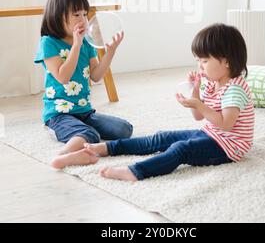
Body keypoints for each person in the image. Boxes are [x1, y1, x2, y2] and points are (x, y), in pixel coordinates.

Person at [78, 23, 255, 181]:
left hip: (228, 148)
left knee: (180, 149)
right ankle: (108, 148)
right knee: (162, 137)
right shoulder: (213, 83)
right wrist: (195, 90)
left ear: (227, 62)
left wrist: (199, 104)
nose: (200, 66)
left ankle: (135, 171)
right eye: (197, 60)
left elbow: (225, 124)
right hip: (211, 134)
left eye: (205, 60)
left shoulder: (234, 90)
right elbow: (198, 116)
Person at [34, 0, 133, 168]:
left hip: (84, 111)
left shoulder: (86, 42)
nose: (83, 20)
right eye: (76, 15)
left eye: (85, 14)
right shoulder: (48, 43)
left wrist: (109, 53)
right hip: (59, 113)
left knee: (124, 129)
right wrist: (76, 45)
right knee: (90, 134)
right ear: (58, 16)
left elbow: (96, 76)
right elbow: (63, 77)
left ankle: (82, 143)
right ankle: (62, 156)